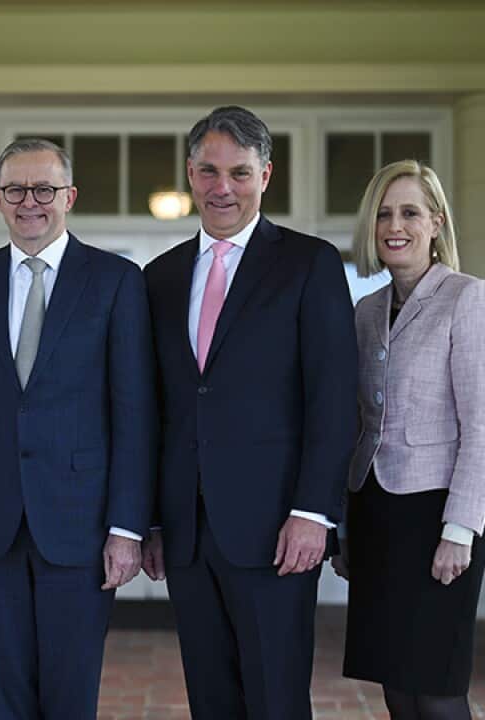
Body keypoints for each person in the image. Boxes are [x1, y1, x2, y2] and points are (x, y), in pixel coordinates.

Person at [140, 106, 358, 719]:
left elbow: (333, 398)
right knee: (211, 700)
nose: (222, 187)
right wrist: (154, 520)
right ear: (190, 173)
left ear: (266, 175)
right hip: (186, 532)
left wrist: (314, 512)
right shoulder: (158, 278)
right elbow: (156, 409)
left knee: (276, 701)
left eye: (238, 172)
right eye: (208, 171)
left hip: (276, 531)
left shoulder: (308, 264)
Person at [0, 138, 156, 719]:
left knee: (70, 691)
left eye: (45, 189)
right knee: (4, 693)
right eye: (16, 190)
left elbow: (134, 413)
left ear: (70, 197)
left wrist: (127, 527)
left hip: (81, 523)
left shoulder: (115, 280)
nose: (30, 201)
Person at [331, 160, 485, 720]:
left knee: (437, 689)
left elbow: (482, 427)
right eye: (385, 213)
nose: (396, 225)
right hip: (376, 516)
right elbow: (355, 424)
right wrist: (345, 525)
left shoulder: (468, 299)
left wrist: (461, 531)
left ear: (437, 223)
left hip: (436, 521)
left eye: (411, 212)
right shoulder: (366, 311)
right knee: (395, 684)